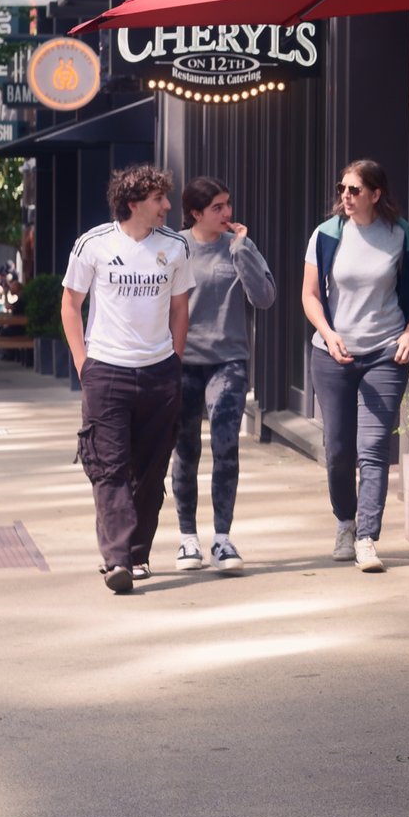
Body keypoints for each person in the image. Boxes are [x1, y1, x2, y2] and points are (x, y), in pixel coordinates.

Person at [62, 166, 196, 595]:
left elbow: (179, 308)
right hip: (106, 370)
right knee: (109, 467)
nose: (167, 207)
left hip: (159, 373)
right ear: (134, 201)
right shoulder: (93, 244)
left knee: (151, 470)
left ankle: (137, 553)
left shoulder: (174, 247)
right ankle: (117, 558)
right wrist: (84, 363)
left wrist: (174, 360)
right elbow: (71, 305)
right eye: (159, 199)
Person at [301, 160, 409, 573]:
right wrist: (328, 334)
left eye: (354, 189)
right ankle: (345, 523)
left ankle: (367, 537)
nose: (346, 196)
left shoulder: (399, 234)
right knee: (338, 450)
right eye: (343, 188)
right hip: (332, 354)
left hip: (385, 352)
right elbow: (310, 295)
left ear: (375, 193)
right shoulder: (327, 235)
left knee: (373, 449)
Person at [171, 176, 277, 574]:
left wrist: (242, 251)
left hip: (229, 360)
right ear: (196, 213)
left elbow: (264, 298)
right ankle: (187, 539)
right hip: (182, 361)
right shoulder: (175, 246)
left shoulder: (240, 246)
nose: (227, 213)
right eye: (217, 207)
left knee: (225, 445)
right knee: (185, 450)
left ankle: (221, 538)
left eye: (228, 204)